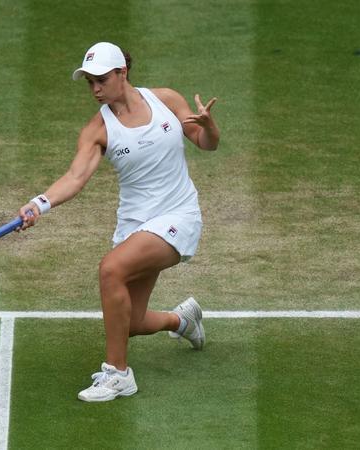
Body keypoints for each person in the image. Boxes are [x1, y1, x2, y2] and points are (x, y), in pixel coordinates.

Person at [17, 42, 220, 402]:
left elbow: (205, 143)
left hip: (178, 216)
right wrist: (39, 203)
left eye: (101, 80)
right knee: (129, 322)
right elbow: (75, 177)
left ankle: (118, 374)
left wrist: (210, 127)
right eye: (89, 82)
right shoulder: (98, 130)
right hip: (135, 227)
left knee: (110, 270)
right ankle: (183, 320)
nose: (95, 89)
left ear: (122, 73)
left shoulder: (167, 101)